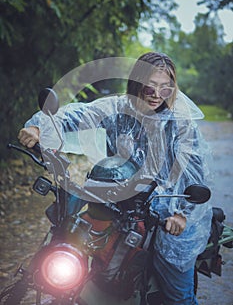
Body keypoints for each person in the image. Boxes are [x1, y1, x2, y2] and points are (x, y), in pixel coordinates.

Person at [18, 52, 213, 304]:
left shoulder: (180, 123)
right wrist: (38, 128)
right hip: (120, 204)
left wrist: (181, 213)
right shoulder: (117, 107)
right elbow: (75, 115)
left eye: (165, 88)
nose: (156, 94)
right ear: (136, 82)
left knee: (177, 293)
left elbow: (194, 171)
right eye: (150, 86)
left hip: (168, 212)